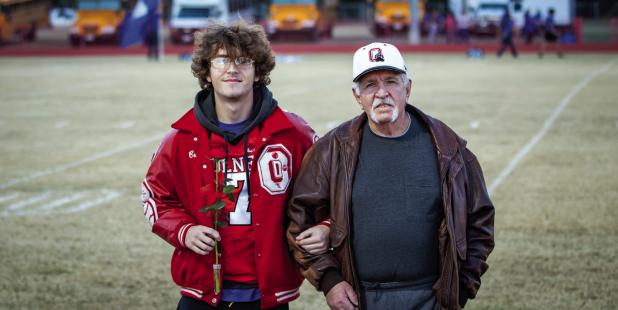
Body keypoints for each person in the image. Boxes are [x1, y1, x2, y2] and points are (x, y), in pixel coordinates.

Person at [287, 42, 495, 310]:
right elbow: (298, 219)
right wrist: (330, 279)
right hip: (358, 297)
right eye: (370, 84)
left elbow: (480, 222)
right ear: (356, 96)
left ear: (407, 88)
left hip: (431, 296)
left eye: (391, 81)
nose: (382, 93)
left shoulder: (447, 147)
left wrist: (460, 288)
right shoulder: (331, 149)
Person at [141, 21, 330, 310]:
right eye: (221, 60)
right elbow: (154, 196)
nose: (232, 69)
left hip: (268, 295)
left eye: (243, 60)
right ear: (207, 71)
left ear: (258, 72)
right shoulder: (181, 138)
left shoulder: (293, 132)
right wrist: (184, 231)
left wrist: (326, 227)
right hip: (201, 294)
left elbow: (332, 187)